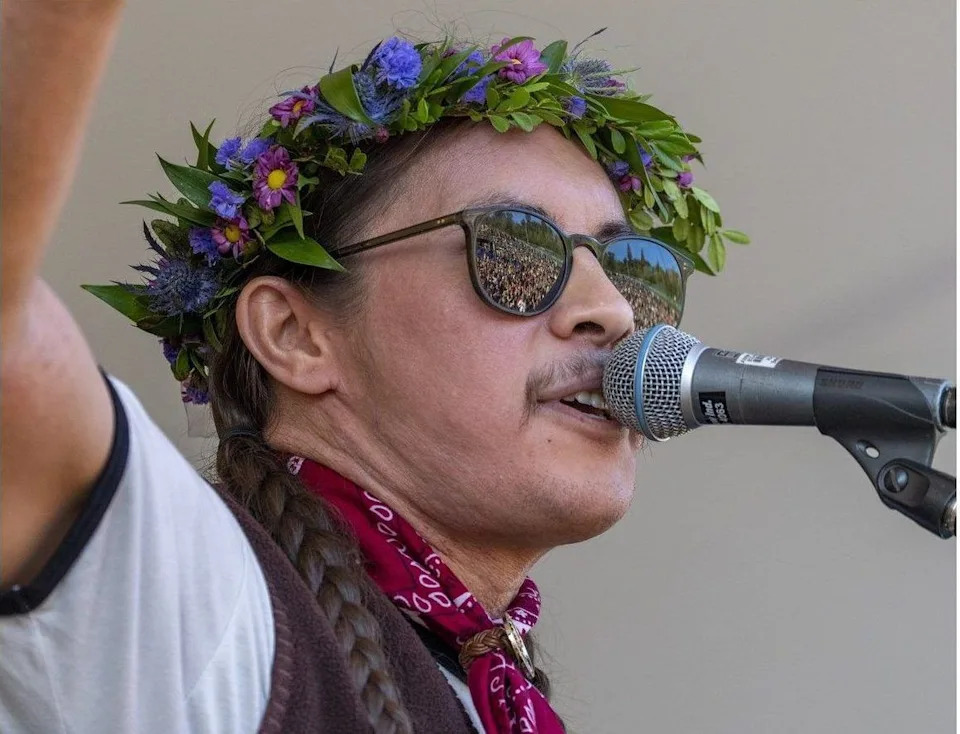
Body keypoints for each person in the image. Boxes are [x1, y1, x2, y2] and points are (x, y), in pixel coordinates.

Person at [0, 2, 738, 732]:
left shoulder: (482, 691)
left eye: (629, 271)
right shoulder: (199, 602)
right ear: (294, 334)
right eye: (517, 250)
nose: (610, 311)